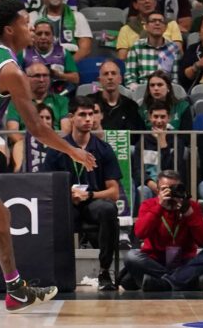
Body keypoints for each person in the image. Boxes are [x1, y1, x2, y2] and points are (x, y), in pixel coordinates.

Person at [0, 0, 97, 310]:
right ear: (10, 29)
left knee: (0, 215)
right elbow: (37, 130)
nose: (30, 29)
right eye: (26, 23)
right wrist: (74, 151)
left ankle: (15, 289)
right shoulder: (11, 70)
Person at [41, 96, 120, 291]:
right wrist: (68, 192)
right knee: (54, 214)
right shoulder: (57, 149)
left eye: (91, 114)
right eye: (82, 114)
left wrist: (90, 195)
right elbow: (45, 185)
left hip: (92, 203)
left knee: (108, 209)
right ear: (71, 118)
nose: (88, 119)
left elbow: (114, 192)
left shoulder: (103, 149)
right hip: (67, 203)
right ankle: (56, 273)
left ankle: (104, 272)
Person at [125, 168, 203, 292]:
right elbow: (140, 233)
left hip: (184, 261)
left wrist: (189, 214)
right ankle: (185, 281)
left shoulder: (191, 206)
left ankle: (165, 284)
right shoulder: (149, 205)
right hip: (155, 261)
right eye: (165, 189)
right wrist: (159, 207)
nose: (170, 193)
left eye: (174, 188)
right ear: (158, 190)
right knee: (131, 256)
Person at [87, 60, 144, 133]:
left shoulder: (131, 106)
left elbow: (138, 136)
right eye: (106, 74)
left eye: (113, 73)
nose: (110, 77)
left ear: (120, 79)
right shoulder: (89, 103)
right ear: (99, 80)